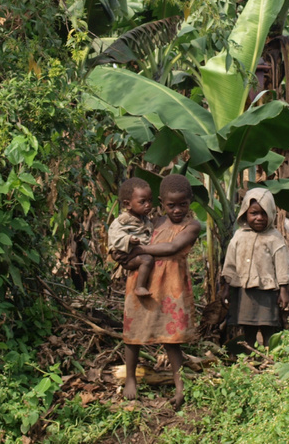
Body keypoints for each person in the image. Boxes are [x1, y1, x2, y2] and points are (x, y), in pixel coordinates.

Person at [118, 174, 200, 410]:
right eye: (171, 205)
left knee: (171, 339)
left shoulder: (192, 225)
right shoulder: (152, 222)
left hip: (171, 288)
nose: (177, 210)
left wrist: (139, 249)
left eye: (182, 204)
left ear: (190, 201)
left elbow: (172, 247)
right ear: (162, 203)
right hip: (143, 283)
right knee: (134, 333)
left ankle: (180, 386)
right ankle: (130, 379)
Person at [221, 188, 289, 349]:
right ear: (245, 213)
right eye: (254, 213)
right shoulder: (239, 236)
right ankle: (250, 355)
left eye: (264, 213)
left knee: (268, 326)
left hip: (267, 290)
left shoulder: (274, 237)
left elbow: (282, 265)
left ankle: (270, 356)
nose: (259, 218)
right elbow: (230, 264)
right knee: (248, 327)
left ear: (271, 213)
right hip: (244, 290)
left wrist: (283, 290)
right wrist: (226, 287)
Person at [107, 178, 155, 297]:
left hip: (136, 252)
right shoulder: (122, 221)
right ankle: (140, 287)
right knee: (147, 259)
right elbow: (115, 237)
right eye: (143, 202)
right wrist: (128, 240)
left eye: (150, 200)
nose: (148, 205)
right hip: (126, 256)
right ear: (127, 204)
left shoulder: (145, 220)